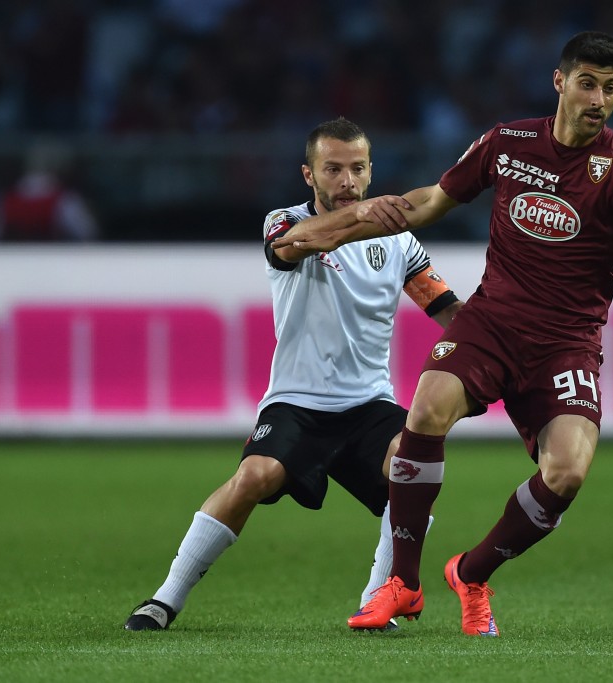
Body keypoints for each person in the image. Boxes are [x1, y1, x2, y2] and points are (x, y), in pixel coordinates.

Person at [272, 32, 613, 637]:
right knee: (427, 407)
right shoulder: (508, 142)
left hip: (566, 344)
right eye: (588, 83)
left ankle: (473, 571)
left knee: (566, 472)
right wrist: (342, 225)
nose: (599, 99)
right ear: (560, 82)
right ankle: (403, 583)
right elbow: (430, 201)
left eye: (612, 88)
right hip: (491, 322)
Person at [123, 118, 463, 631]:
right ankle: (165, 599)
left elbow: (445, 309)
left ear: (371, 171)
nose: (346, 181)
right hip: (296, 401)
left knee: (410, 464)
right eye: (333, 169)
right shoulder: (283, 221)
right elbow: (290, 247)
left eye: (357, 169)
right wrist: (364, 217)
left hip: (369, 403)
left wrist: (512, 335)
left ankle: (376, 601)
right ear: (309, 175)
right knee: (253, 477)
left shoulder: (400, 242)